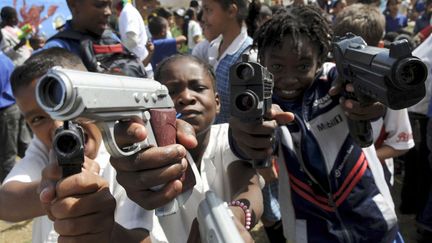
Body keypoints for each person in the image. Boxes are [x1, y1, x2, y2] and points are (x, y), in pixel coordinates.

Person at [230, 5, 402, 242]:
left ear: (320, 59)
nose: (290, 78)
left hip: (376, 224)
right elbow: (244, 141)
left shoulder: (334, 80)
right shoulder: (264, 104)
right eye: (278, 67)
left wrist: (365, 96)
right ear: (263, 61)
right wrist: (244, 135)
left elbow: (353, 82)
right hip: (311, 233)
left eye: (302, 66)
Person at [0, 47, 153, 243]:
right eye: (39, 118)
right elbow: (5, 203)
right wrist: (48, 191)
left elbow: (144, 237)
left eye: (66, 104)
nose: (57, 125)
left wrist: (105, 232)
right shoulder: (43, 148)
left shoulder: (126, 152)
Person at [110, 54, 263, 242]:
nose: (186, 97)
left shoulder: (228, 137)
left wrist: (234, 217)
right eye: (171, 91)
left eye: (198, 88)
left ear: (217, 103)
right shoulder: (147, 154)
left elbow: (249, 186)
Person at [333, 3, 414, 187]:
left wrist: (358, 162)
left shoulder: (390, 89)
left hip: (376, 180)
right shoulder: (327, 80)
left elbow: (400, 145)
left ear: (380, 48)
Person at [202, 0, 253, 124]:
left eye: (208, 10)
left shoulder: (247, 56)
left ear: (231, 11)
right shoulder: (214, 46)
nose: (203, 17)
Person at [0, 31, 30, 183]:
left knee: (7, 155)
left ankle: (7, 192)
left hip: (5, 112)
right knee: (24, 146)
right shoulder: (6, 59)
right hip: (14, 107)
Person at [116, 0, 154, 77]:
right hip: (138, 69)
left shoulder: (130, 11)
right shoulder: (129, 11)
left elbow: (131, 40)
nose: (148, 4)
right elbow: (132, 39)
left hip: (139, 68)